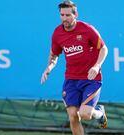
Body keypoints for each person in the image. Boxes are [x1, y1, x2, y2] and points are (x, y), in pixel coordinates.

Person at [40, 0, 108, 134]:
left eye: (67, 15)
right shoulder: (57, 33)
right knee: (73, 117)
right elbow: (54, 54)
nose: (64, 18)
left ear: (75, 14)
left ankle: (99, 113)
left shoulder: (87, 29)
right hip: (71, 80)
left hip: (91, 79)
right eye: (62, 15)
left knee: (85, 114)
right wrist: (49, 67)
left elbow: (104, 49)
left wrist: (96, 66)